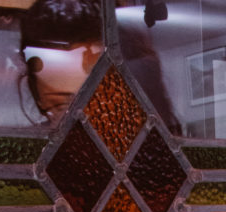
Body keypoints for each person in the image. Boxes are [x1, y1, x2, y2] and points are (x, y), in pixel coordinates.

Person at [21, 0, 180, 132]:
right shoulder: (30, 160)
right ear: (40, 101)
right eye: (62, 108)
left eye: (104, 104)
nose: (84, 122)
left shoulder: (163, 159)